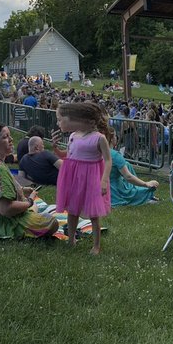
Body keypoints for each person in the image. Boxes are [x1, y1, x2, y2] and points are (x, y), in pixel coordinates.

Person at [0, 121, 59, 239]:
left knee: (33, 208)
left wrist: (22, 190)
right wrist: (29, 201)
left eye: (9, 135)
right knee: (51, 222)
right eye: (5, 137)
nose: (11, 139)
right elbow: (5, 209)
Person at [55, 101, 113, 254]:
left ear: (86, 120)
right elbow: (67, 155)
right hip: (74, 177)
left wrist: (104, 180)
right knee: (72, 210)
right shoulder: (73, 136)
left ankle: (96, 246)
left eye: (61, 119)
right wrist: (55, 148)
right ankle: (71, 238)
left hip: (92, 177)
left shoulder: (99, 138)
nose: (59, 122)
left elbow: (108, 160)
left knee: (93, 214)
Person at [108, 130, 158, 206]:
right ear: (111, 139)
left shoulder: (96, 152)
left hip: (99, 188)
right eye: (115, 136)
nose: (116, 138)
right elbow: (128, 177)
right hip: (115, 191)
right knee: (151, 187)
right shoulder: (115, 155)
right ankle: (147, 196)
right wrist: (146, 184)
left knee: (127, 165)